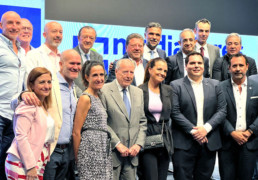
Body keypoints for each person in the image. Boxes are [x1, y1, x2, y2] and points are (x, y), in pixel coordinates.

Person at [19, 49, 81, 180]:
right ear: (61, 64)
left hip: (66, 152)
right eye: (72, 63)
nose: (75, 67)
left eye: (78, 63)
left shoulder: (74, 89)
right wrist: (22, 95)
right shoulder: (49, 84)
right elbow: (19, 102)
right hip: (50, 151)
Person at [170, 52, 226, 180]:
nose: (196, 66)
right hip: (183, 143)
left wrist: (205, 129)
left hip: (209, 142)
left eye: (199, 63)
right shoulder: (175, 85)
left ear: (204, 66)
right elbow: (175, 112)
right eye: (192, 63)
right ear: (186, 65)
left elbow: (222, 110)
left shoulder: (215, 84)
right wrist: (195, 132)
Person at [100, 59, 147, 180]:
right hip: (111, 154)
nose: (129, 76)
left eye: (131, 72)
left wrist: (138, 144)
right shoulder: (104, 90)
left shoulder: (138, 92)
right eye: (125, 72)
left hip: (132, 155)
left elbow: (142, 121)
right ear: (116, 72)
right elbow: (102, 122)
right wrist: (117, 144)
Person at [5, 67, 54, 180]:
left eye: (49, 82)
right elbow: (21, 136)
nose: (47, 86)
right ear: (31, 85)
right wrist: (30, 166)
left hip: (37, 161)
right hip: (22, 163)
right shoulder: (28, 104)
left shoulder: (42, 105)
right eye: (42, 82)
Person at [218, 53, 258, 180]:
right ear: (229, 68)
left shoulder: (257, 87)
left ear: (247, 67)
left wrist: (250, 131)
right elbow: (218, 113)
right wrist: (231, 132)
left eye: (241, 65)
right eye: (234, 66)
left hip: (249, 142)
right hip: (227, 143)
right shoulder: (220, 87)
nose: (238, 69)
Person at [72, 60, 112, 180]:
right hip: (89, 151)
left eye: (101, 74)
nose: (99, 78)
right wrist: (79, 159)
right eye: (95, 75)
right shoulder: (85, 98)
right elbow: (76, 132)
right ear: (87, 77)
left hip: (102, 149)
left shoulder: (99, 96)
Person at [138, 58, 173, 180]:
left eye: (165, 71)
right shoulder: (139, 90)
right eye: (159, 69)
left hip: (165, 142)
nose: (162, 73)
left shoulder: (169, 90)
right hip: (146, 141)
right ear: (150, 69)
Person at [0, 11, 25, 179]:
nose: (14, 27)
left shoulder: (22, 50)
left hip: (15, 114)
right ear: (1, 25)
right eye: (10, 23)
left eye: (17, 23)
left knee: (5, 163)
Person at [74, 26, 104, 97]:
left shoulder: (98, 57)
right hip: (76, 98)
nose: (88, 40)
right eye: (85, 37)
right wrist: (84, 96)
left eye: (91, 38)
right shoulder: (70, 55)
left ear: (94, 40)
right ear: (78, 38)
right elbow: (69, 80)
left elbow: (103, 78)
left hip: (95, 97)